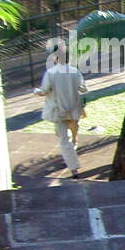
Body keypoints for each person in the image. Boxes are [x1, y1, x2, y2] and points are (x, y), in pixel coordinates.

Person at [32, 49, 89, 177]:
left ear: (56, 59)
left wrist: (36, 92)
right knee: (73, 132)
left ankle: (73, 168)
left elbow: (44, 91)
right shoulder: (75, 72)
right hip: (74, 108)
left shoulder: (51, 73)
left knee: (63, 139)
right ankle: (72, 151)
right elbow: (83, 89)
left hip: (58, 111)